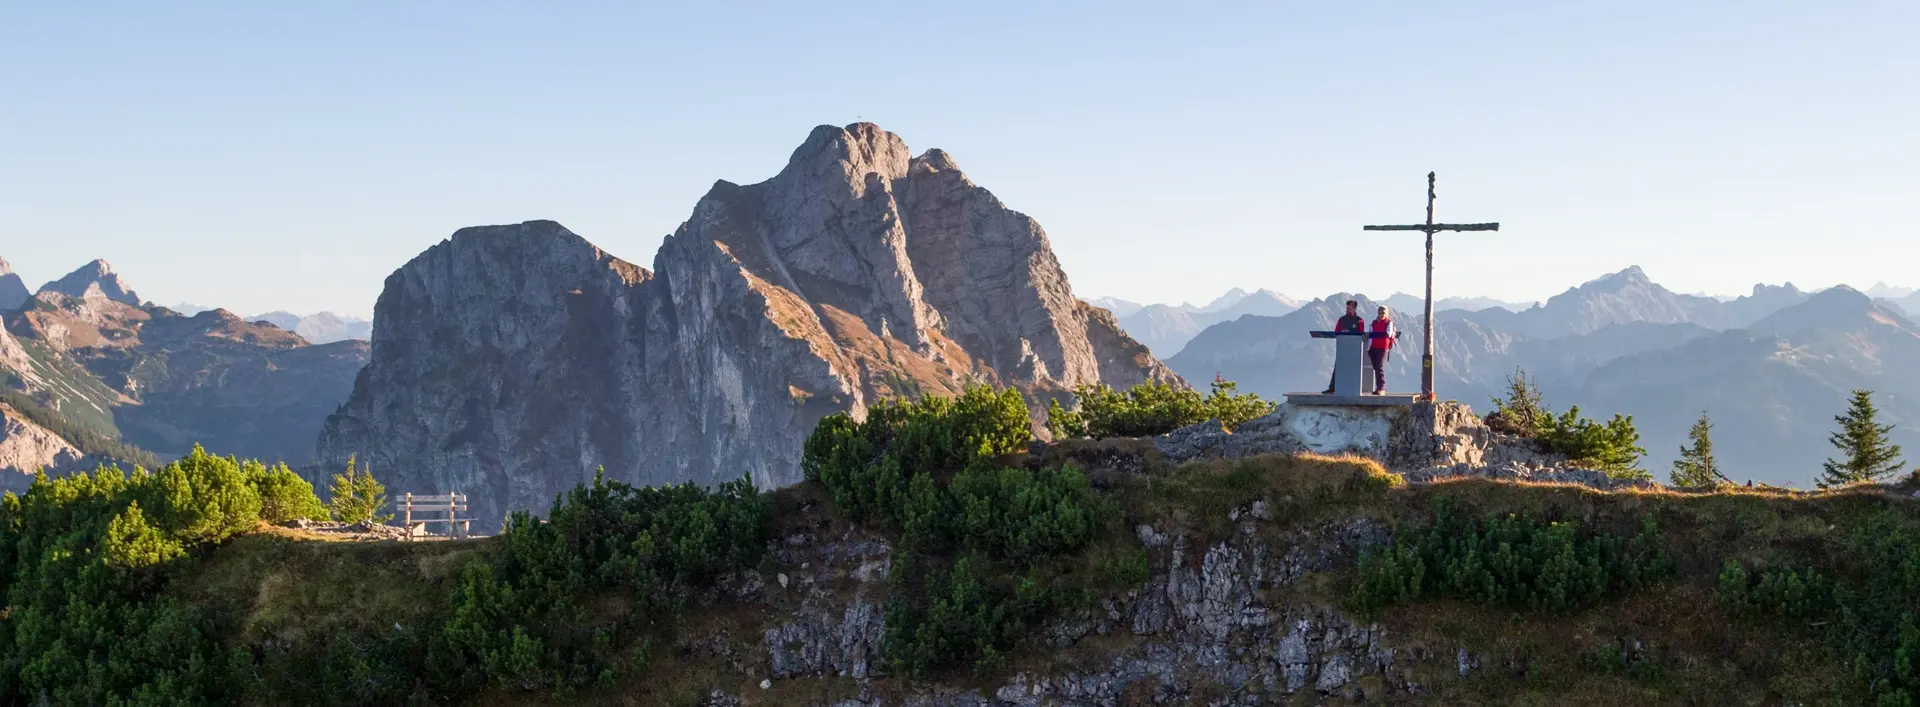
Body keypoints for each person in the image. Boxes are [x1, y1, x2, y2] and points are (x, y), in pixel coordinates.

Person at [1321, 300, 1365, 394]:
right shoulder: (1342, 319)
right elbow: (1336, 332)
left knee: (1354, 370)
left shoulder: (1359, 320)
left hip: (1354, 350)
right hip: (1343, 349)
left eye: (1349, 308)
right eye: (1346, 308)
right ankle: (1332, 388)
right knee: (1338, 369)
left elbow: (1360, 334)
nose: (1347, 310)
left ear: (1354, 309)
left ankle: (1354, 389)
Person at [1368, 306, 1399, 394]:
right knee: (1376, 367)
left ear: (1386, 314)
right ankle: (1378, 387)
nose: (1381, 314)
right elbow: (1371, 333)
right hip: (1373, 347)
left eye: (1383, 313)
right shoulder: (1374, 323)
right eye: (1380, 312)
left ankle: (1382, 388)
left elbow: (1388, 334)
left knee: (1379, 366)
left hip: (1383, 348)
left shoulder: (1389, 322)